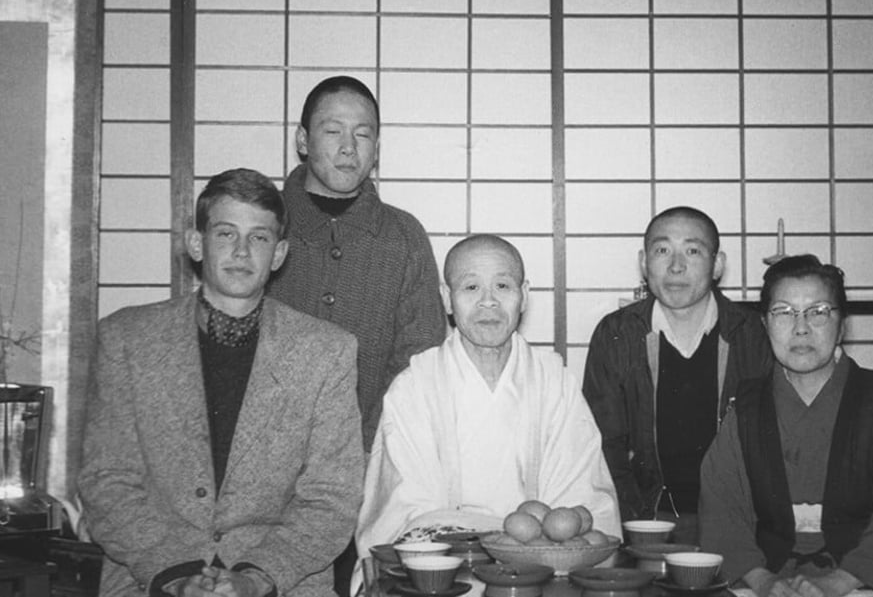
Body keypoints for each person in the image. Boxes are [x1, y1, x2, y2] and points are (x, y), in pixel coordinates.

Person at [78, 168, 364, 597]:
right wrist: (174, 572)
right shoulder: (127, 339)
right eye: (226, 234)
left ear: (280, 252)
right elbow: (107, 481)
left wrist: (256, 576)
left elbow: (331, 499)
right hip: (150, 572)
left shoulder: (326, 352)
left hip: (282, 578)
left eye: (260, 238)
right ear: (197, 243)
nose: (243, 251)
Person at [698, 255, 873, 597]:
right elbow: (721, 514)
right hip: (762, 579)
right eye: (783, 312)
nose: (801, 327)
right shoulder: (745, 411)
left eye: (818, 311)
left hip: (862, 580)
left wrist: (838, 582)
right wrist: (763, 581)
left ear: (842, 325)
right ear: (765, 324)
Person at [356, 234, 621, 556]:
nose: (488, 301)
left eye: (503, 286)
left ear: (524, 296)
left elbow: (580, 498)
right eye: (471, 287)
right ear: (446, 299)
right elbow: (404, 508)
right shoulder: (414, 387)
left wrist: (525, 546)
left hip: (536, 565)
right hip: (442, 569)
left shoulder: (554, 382)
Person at [266, 75, 446, 453]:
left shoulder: (404, 235)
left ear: (376, 148)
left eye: (362, 135)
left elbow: (419, 357)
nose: (348, 148)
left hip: (374, 453)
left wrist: (367, 446)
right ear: (303, 140)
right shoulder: (262, 224)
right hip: (265, 454)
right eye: (332, 131)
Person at [582, 206, 773, 543]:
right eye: (662, 250)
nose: (676, 266)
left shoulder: (751, 334)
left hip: (739, 524)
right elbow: (604, 445)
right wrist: (632, 528)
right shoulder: (617, 334)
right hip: (643, 522)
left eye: (693, 250)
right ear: (644, 263)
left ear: (717, 265)